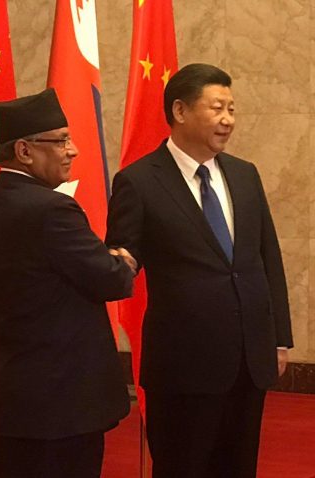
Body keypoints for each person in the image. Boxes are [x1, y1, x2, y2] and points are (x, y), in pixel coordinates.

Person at [106, 63, 294, 478]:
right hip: (183, 366)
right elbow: (121, 257)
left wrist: (279, 338)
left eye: (232, 109)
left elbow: (267, 258)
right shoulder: (139, 181)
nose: (228, 120)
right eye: (217, 108)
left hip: (248, 358)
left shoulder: (244, 175)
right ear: (180, 111)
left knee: (238, 467)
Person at [0, 88, 136, 478]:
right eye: (60, 141)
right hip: (62, 407)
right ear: (24, 151)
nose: (73, 150)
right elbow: (112, 279)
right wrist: (122, 258)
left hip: (11, 400)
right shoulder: (52, 209)